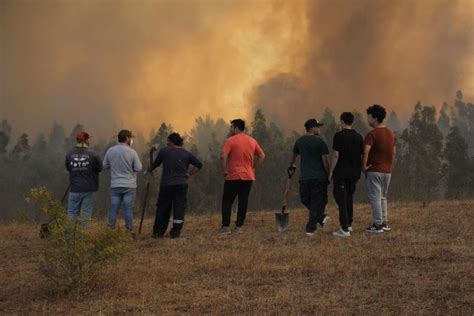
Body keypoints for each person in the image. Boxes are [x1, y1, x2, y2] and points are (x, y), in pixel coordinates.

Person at [149, 132, 203, 238]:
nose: (166, 143)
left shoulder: (164, 151)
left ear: (171, 141)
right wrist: (188, 174)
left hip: (167, 185)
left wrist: (149, 169)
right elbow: (199, 165)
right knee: (179, 208)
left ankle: (158, 233)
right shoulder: (186, 153)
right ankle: (175, 232)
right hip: (181, 184)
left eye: (168, 141)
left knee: (163, 208)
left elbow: (155, 164)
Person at [218, 119, 265, 235]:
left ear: (236, 128)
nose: (231, 129)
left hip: (233, 176)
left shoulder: (230, 140)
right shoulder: (252, 140)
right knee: (243, 201)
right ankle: (239, 227)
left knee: (227, 201)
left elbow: (223, 156)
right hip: (248, 176)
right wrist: (253, 168)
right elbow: (262, 155)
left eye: (231, 127)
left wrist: (224, 170)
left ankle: (225, 227)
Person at [290, 119, 331, 236]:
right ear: (312, 128)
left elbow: (294, 155)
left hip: (305, 178)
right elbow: (325, 160)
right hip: (319, 177)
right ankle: (316, 223)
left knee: (306, 199)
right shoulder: (320, 142)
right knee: (316, 202)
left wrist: (292, 165)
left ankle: (313, 225)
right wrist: (328, 175)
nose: (319, 129)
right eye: (318, 127)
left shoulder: (299, 141)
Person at [328, 113, 364, 238]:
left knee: (341, 199)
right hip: (354, 173)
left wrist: (331, 171)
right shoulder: (359, 137)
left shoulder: (338, 136)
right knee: (349, 197)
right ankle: (349, 224)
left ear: (342, 121)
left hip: (341, 173)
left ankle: (344, 229)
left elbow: (336, 155)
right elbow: (361, 155)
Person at [363, 104, 396, 233]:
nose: (367, 119)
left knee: (375, 197)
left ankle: (377, 225)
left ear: (375, 118)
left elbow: (366, 151)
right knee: (383, 197)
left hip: (374, 169)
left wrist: (364, 166)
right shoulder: (391, 134)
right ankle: (384, 222)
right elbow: (393, 153)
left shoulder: (372, 134)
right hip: (387, 170)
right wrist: (389, 165)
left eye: (369, 117)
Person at [103, 129, 142, 233]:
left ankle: (110, 231)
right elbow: (138, 168)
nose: (131, 140)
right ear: (126, 139)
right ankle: (128, 231)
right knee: (128, 209)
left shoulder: (110, 150)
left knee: (113, 208)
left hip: (115, 185)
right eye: (131, 138)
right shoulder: (132, 152)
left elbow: (104, 165)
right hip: (129, 185)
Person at [65, 131, 102, 227]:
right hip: (89, 189)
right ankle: (83, 239)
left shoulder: (69, 154)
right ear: (86, 141)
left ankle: (68, 238)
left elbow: (69, 168)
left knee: (71, 214)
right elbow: (100, 168)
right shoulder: (93, 154)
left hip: (75, 189)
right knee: (85, 215)